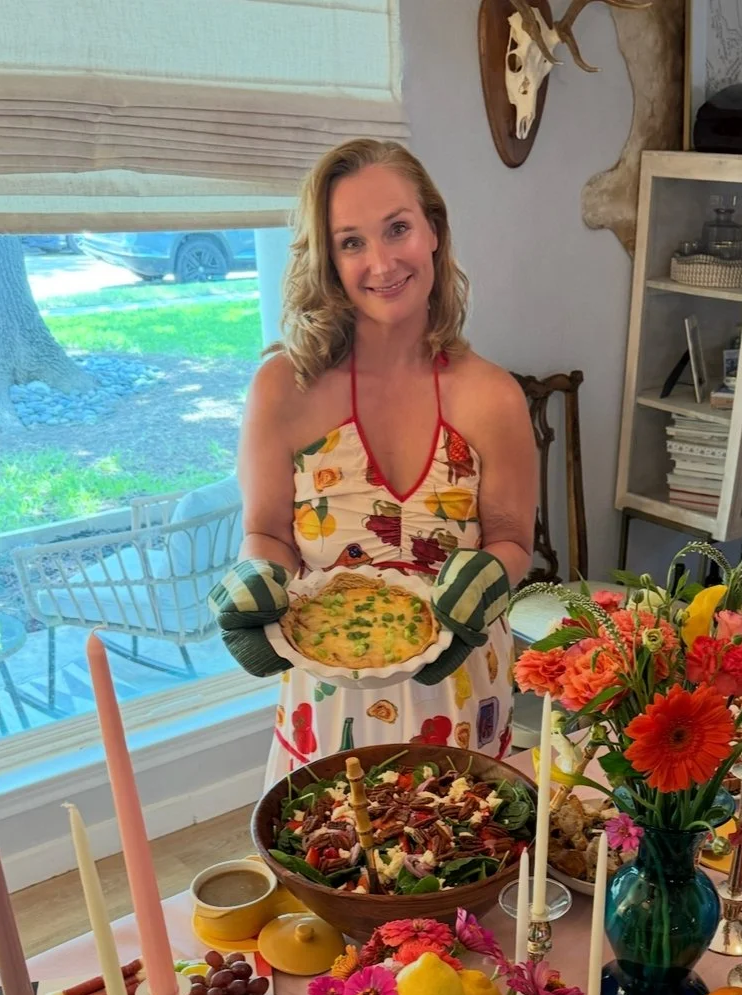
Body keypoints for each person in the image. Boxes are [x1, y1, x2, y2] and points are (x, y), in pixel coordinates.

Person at [209, 139, 538, 784]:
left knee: (463, 866)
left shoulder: (493, 396)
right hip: (333, 699)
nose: (382, 262)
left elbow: (512, 540)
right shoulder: (282, 387)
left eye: (398, 229)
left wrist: (489, 576)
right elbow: (269, 533)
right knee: (331, 867)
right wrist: (256, 579)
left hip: (463, 693)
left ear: (434, 231)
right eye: (351, 241)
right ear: (327, 258)